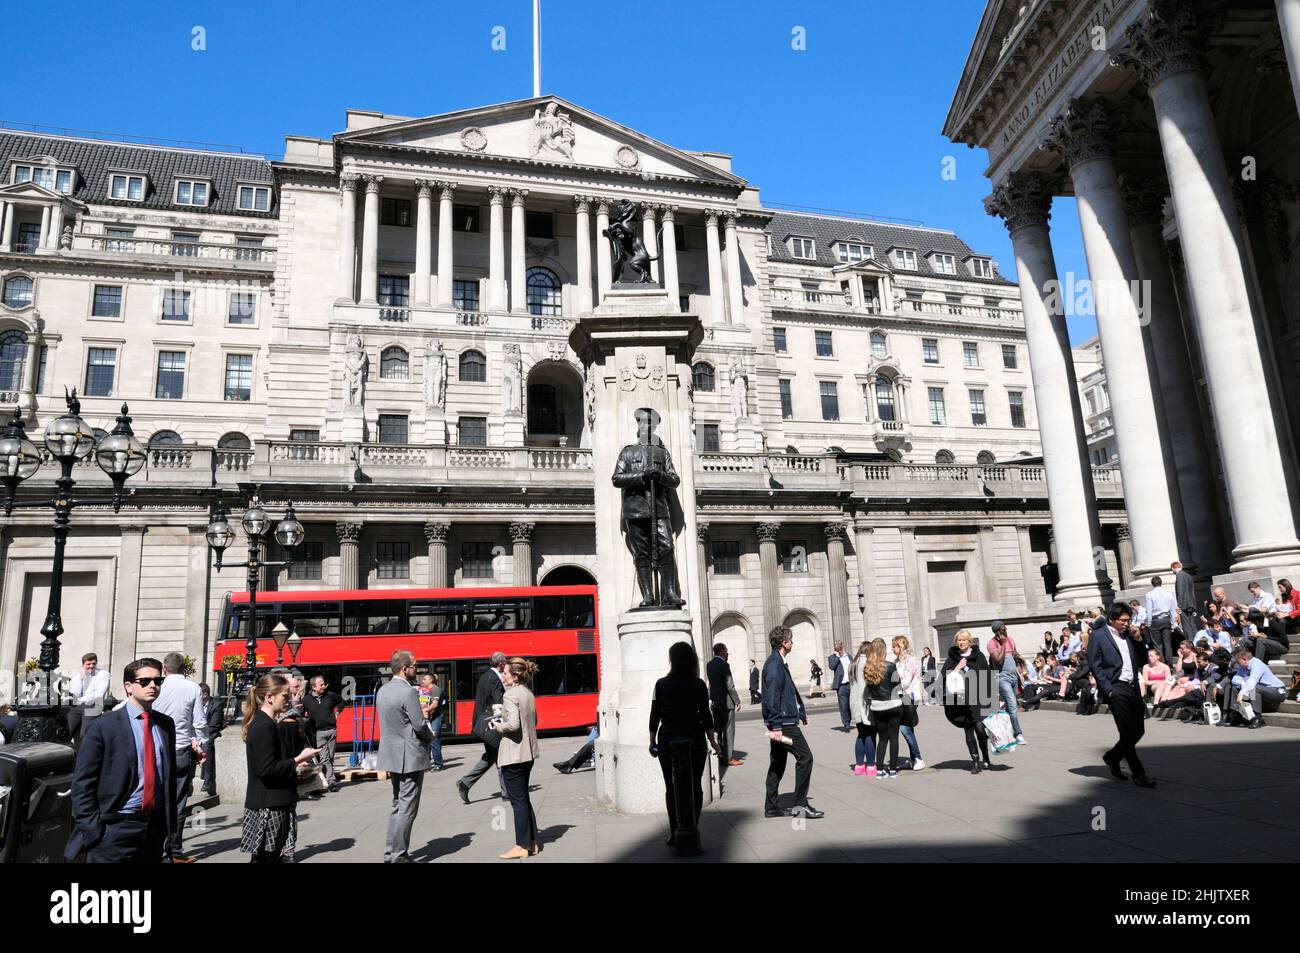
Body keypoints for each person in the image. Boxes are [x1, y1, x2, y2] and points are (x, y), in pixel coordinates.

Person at [65, 658, 177, 863]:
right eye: (145, 681)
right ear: (128, 686)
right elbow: (82, 784)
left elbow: (168, 779)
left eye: (157, 681)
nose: (153, 685)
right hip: (114, 829)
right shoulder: (103, 726)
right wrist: (94, 830)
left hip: (154, 828)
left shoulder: (165, 724)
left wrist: (169, 829)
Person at [240, 673, 319, 863]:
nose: (289, 700)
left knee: (266, 857)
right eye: (284, 696)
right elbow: (267, 769)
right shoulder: (264, 726)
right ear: (269, 697)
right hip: (270, 804)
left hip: (273, 801)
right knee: (267, 858)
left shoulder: (266, 723)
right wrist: (298, 760)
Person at [649, 642, 721, 848]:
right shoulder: (698, 684)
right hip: (694, 736)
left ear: (671, 659)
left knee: (671, 788)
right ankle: (692, 826)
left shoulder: (661, 684)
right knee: (695, 786)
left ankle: (675, 830)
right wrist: (714, 741)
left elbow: (654, 716)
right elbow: (706, 716)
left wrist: (651, 741)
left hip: (668, 738)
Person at [1087, 602, 1155, 788]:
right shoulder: (1099, 636)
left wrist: (1139, 639)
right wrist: (1108, 688)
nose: (1126, 623)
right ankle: (1139, 775)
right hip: (1116, 687)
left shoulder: (1129, 635)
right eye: (1123, 620)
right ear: (1112, 619)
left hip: (1132, 686)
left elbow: (1142, 659)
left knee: (1138, 730)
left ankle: (1112, 756)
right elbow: (1095, 664)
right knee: (1126, 731)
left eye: (1128, 620)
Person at [376, 650, 433, 863]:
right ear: (404, 668)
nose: (416, 669)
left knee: (397, 804)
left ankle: (390, 852)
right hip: (409, 755)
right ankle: (399, 855)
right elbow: (418, 724)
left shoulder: (382, 690)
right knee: (408, 808)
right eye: (415, 665)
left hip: (391, 754)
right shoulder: (408, 692)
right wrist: (431, 735)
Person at [152, 652, 206, 862]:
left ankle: (156, 847)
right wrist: (201, 745)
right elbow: (199, 722)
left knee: (156, 798)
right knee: (178, 802)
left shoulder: (158, 687)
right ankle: (174, 849)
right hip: (182, 748)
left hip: (158, 748)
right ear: (184, 667)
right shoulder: (193, 688)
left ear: (165, 668)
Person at [762, 626, 821, 818]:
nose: (792, 643)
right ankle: (801, 804)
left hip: (785, 720)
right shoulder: (774, 664)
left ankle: (771, 806)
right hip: (784, 724)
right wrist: (777, 725)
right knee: (805, 758)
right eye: (791, 640)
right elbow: (772, 696)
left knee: (777, 763)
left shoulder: (778, 662)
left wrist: (801, 713)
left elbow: (786, 693)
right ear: (784, 643)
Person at [490, 657, 542, 859]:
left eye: (506, 673)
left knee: (517, 801)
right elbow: (534, 720)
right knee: (523, 798)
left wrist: (497, 726)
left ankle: (521, 845)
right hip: (528, 752)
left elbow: (512, 725)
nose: (503, 675)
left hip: (513, 753)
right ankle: (533, 841)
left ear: (515, 676)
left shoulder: (510, 695)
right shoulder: (528, 693)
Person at [942, 630, 995, 773]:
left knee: (980, 729)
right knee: (968, 730)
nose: (961, 642)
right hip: (961, 701)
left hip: (977, 699)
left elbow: (987, 677)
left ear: (969, 641)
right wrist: (958, 667)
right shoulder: (952, 657)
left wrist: (994, 698)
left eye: (964, 640)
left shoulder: (979, 656)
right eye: (959, 640)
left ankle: (986, 757)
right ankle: (976, 762)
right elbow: (943, 676)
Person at [457, 651, 507, 803]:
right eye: (505, 663)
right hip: (491, 724)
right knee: (502, 757)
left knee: (490, 757)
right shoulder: (495, 680)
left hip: (482, 722)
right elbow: (498, 704)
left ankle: (465, 783)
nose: (505, 666)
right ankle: (507, 792)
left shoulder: (486, 676)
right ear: (500, 664)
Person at [863, 640, 902, 777]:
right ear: (883, 650)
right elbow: (898, 686)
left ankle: (879, 769)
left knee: (882, 738)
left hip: (877, 706)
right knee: (894, 738)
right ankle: (892, 770)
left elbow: (869, 688)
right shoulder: (891, 666)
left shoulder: (867, 667)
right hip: (893, 704)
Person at [1225, 646, 1286, 728]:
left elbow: (1253, 681)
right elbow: (1235, 679)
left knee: (1254, 688)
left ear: (1245, 660)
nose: (1239, 665)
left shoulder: (1257, 664)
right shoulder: (1244, 667)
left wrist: (1241, 693)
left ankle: (1258, 718)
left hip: (1277, 692)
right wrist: (1242, 682)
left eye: (1239, 663)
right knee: (1234, 687)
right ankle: (1238, 716)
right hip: (1262, 692)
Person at [987, 621, 1027, 745]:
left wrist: (1016, 656)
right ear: (997, 631)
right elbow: (998, 661)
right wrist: (1003, 645)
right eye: (1003, 629)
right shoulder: (991, 644)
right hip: (1002, 677)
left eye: (1006, 628)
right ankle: (1018, 734)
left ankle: (1001, 729)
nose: (1006, 631)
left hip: (1013, 676)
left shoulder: (1010, 640)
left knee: (1009, 707)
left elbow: (1014, 654)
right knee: (1013, 705)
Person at [302, 675, 345, 790]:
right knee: (324, 758)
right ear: (313, 687)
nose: (323, 686)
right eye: (321, 684)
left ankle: (326, 779)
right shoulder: (306, 700)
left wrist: (337, 712)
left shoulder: (330, 695)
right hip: (318, 733)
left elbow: (342, 701)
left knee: (330, 757)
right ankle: (331, 782)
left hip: (332, 731)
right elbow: (301, 715)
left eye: (323, 684)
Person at [706, 643, 743, 767]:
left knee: (718, 730)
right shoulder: (724, 665)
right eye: (726, 651)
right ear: (721, 651)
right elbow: (729, 685)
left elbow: (711, 684)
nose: (727, 654)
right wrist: (737, 701)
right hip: (726, 703)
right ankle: (729, 757)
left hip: (715, 702)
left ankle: (720, 755)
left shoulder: (709, 665)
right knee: (728, 730)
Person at [892, 635, 925, 770]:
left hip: (910, 696)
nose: (893, 648)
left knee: (904, 728)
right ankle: (913, 759)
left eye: (894, 646)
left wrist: (892, 682)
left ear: (901, 646)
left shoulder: (911, 660)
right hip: (902, 696)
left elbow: (905, 681)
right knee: (908, 728)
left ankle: (918, 758)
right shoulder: (897, 661)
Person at [848, 641, 875, 774]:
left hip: (854, 703)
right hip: (865, 703)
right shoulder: (868, 664)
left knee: (861, 734)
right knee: (869, 735)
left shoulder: (852, 664)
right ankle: (870, 765)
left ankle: (859, 765)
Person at [1144, 576, 1179, 663]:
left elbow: (1149, 611)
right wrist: (1173, 624)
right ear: (1161, 583)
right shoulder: (1168, 594)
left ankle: (1160, 663)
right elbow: (1172, 610)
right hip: (1166, 619)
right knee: (1167, 644)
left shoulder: (1149, 595)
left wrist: (1148, 623)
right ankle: (1169, 664)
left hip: (1155, 620)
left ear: (1152, 584)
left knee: (1157, 645)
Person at [416, 672, 445, 770]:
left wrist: (425, 710)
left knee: (433, 740)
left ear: (430, 680)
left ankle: (438, 764)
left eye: (424, 679)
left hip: (435, 719)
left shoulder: (435, 689)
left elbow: (435, 704)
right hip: (428, 718)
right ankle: (427, 763)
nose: (422, 681)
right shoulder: (425, 690)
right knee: (426, 741)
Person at [199, 683, 224, 795]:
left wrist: (201, 735)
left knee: (208, 744)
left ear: (205, 694)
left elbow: (214, 725)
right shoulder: (195, 704)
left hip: (210, 733)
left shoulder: (216, 704)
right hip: (197, 733)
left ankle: (207, 779)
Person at [1172, 560, 1198, 643]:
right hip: (1191, 604)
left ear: (1173, 568)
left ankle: (1190, 643)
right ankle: (1197, 642)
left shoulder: (1179, 576)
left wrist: (1179, 606)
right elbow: (1192, 591)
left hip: (1184, 605)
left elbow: (1181, 591)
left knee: (1186, 627)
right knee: (1192, 625)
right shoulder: (1188, 575)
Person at [828, 641, 852, 730]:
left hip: (851, 684)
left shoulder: (849, 656)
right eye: (836, 649)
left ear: (842, 647)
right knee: (843, 706)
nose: (837, 650)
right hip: (841, 686)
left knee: (851, 705)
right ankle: (846, 724)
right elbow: (832, 666)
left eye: (839, 648)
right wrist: (837, 657)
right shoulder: (832, 657)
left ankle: (849, 720)